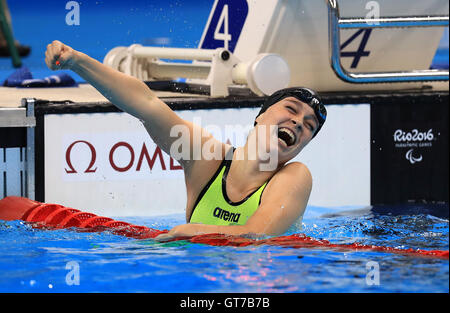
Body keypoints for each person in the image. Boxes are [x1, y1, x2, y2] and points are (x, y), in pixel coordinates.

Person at [44, 40, 327, 241]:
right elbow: (146, 103)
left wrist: (191, 230)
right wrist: (78, 61)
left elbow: (258, 234)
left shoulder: (294, 176)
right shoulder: (206, 159)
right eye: (291, 109)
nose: (299, 122)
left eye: (309, 126)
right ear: (260, 117)